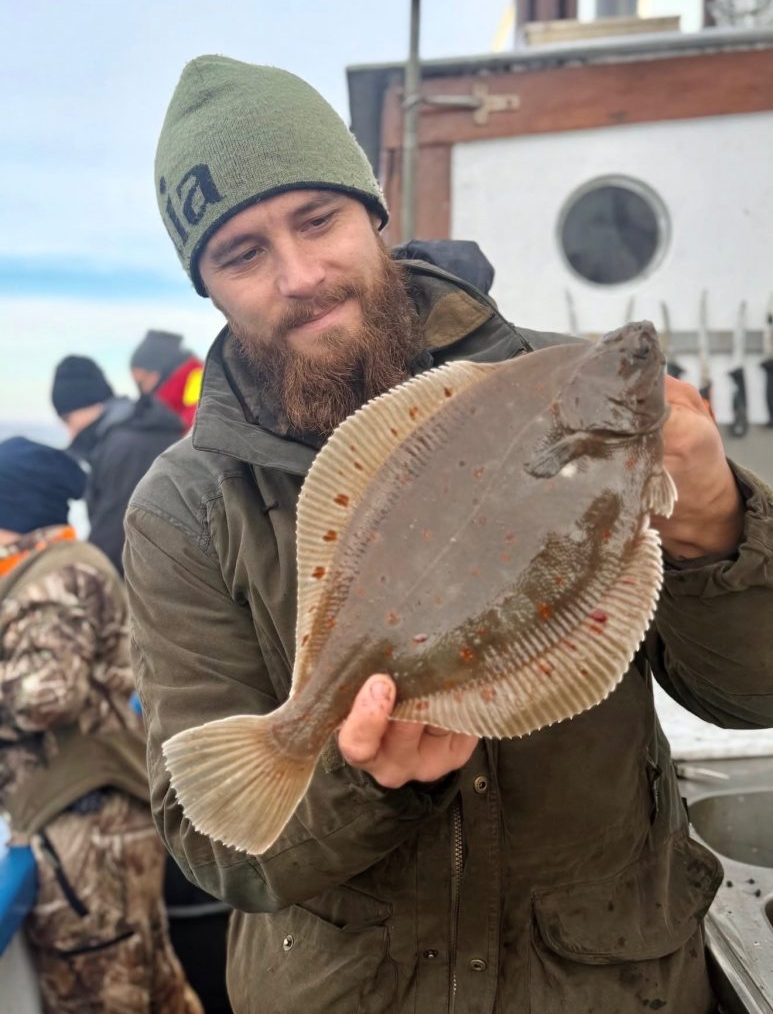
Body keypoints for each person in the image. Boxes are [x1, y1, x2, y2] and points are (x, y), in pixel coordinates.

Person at [123, 54, 773, 1014]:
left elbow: (753, 694)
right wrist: (365, 781)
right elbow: (225, 845)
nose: (299, 276)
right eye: (242, 253)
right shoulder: (181, 509)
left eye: (317, 219)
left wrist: (717, 530)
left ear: (373, 213)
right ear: (207, 287)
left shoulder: (564, 386)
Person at [0, 437, 202, 1014]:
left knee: (100, 994)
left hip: (85, 834)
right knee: (156, 987)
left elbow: (47, 694)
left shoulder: (52, 580)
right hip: (108, 822)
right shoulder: (68, 567)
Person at [52, 355, 183, 574]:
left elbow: (116, 535)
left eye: (67, 419)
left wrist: (82, 578)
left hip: (155, 582)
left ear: (87, 404)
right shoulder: (134, 429)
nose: (69, 431)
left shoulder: (125, 445)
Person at [130, 330, 204, 432]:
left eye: (140, 383)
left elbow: (197, 424)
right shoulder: (169, 403)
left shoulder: (199, 381)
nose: (143, 391)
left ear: (154, 374)